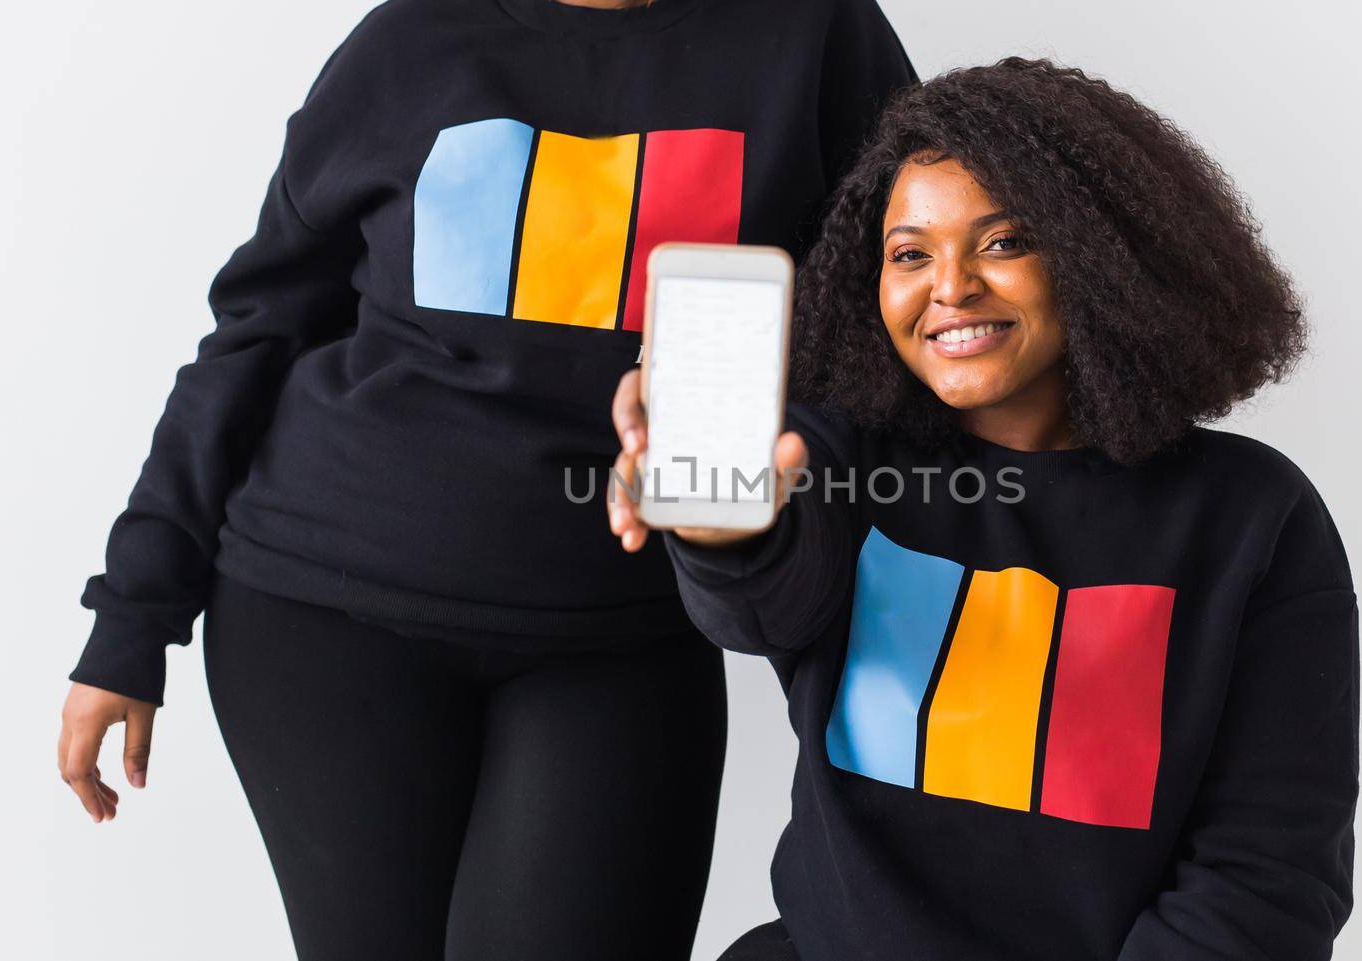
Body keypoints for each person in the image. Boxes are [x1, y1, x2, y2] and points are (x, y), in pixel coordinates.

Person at [55, 1, 913, 958]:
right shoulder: (411, 38)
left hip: (622, 631)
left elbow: (891, 316)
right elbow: (258, 328)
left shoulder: (814, 32)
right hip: (323, 612)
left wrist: (780, 467)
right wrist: (132, 615)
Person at [609, 57, 1359, 961]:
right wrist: (722, 527)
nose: (951, 285)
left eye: (1004, 242)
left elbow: (1265, 882)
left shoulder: (1251, 518)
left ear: (1097, 256)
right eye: (909, 253)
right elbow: (764, 601)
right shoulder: (848, 460)